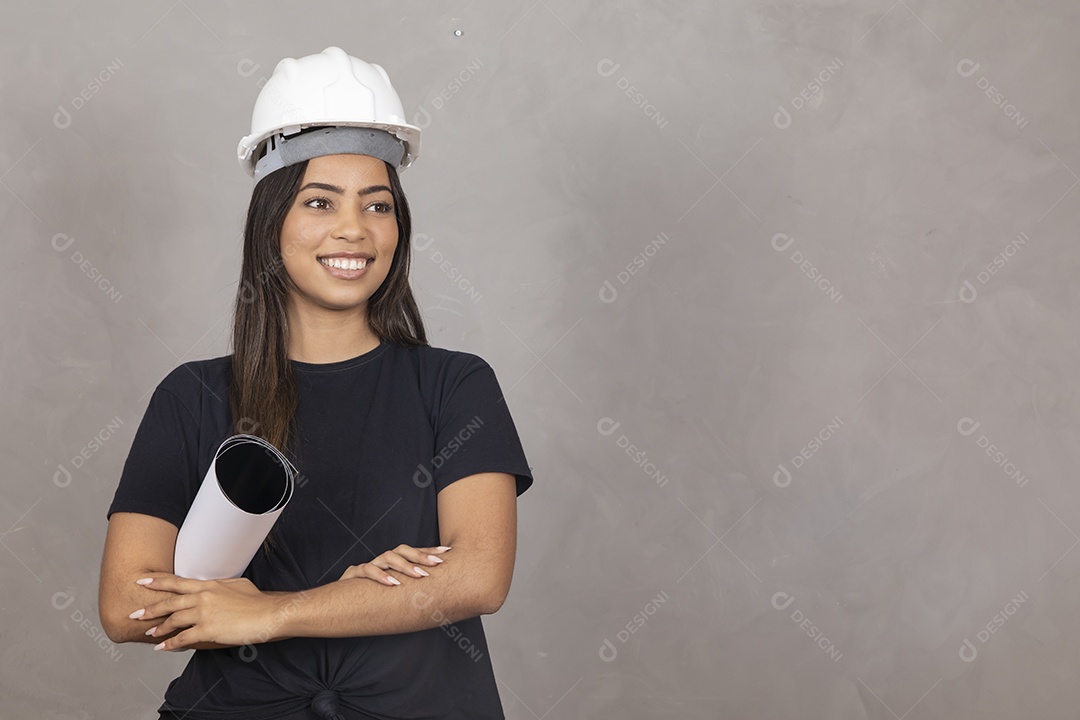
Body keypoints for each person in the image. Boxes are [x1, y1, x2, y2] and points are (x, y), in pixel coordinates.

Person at [97, 46, 534, 720]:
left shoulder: (454, 385)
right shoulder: (193, 398)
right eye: (321, 201)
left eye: (378, 205)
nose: (354, 229)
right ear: (273, 222)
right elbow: (127, 606)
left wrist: (274, 613)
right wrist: (355, 595)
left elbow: (477, 577)